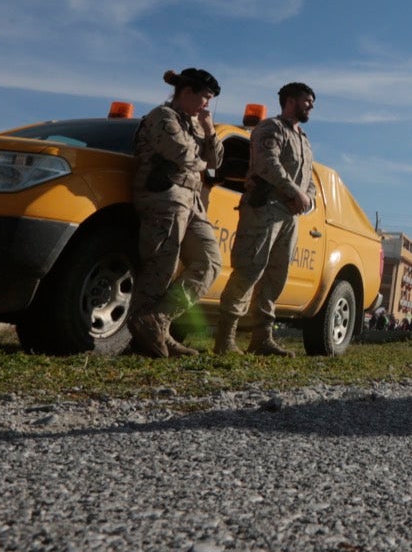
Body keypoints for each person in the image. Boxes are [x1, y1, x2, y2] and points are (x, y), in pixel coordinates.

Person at [215, 82, 317, 357]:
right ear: (291, 101)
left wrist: (306, 198)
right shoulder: (271, 128)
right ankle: (225, 338)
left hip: (289, 216)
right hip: (263, 209)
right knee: (249, 270)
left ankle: (262, 338)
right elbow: (267, 164)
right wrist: (294, 191)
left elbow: (310, 181)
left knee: (275, 276)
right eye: (307, 101)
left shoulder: (304, 140)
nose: (311, 106)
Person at [128, 68, 225, 357]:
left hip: (192, 200)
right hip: (165, 195)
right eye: (204, 97)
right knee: (162, 265)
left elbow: (216, 161)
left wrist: (209, 131)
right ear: (186, 92)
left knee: (209, 262)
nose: (207, 104)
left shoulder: (197, 123)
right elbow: (183, 155)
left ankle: (158, 321)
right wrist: (202, 160)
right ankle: (141, 334)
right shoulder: (162, 117)